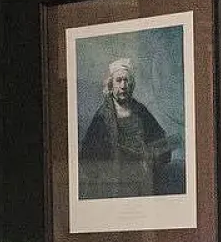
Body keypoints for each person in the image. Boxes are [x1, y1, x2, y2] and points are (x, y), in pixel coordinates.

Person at [77, 57, 179, 199]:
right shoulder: (102, 116)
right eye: (119, 80)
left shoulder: (140, 110)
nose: (123, 85)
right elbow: (88, 154)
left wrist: (151, 157)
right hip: (115, 182)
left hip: (142, 179)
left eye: (126, 80)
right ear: (111, 85)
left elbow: (160, 139)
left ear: (131, 84)